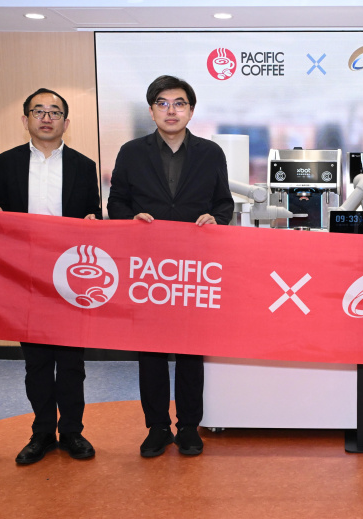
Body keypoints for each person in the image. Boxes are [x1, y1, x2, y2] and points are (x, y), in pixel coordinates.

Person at [107, 75, 233, 457]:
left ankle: (189, 427)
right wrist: (132, 219)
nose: (171, 110)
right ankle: (158, 427)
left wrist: (215, 219)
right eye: (162, 103)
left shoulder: (211, 153)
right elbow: (116, 204)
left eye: (179, 103)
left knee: (192, 351)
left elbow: (224, 204)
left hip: (195, 270)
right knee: (151, 352)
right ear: (151, 110)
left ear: (191, 110)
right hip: (150, 269)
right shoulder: (131, 152)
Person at [0, 88, 101, 464]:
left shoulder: (85, 166)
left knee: (71, 362)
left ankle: (72, 432)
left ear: (66, 122)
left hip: (71, 278)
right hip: (25, 276)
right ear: (26, 120)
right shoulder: (6, 163)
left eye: (55, 111)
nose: (47, 117)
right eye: (38, 111)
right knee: (36, 362)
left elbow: (94, 216)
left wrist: (93, 222)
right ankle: (41, 433)